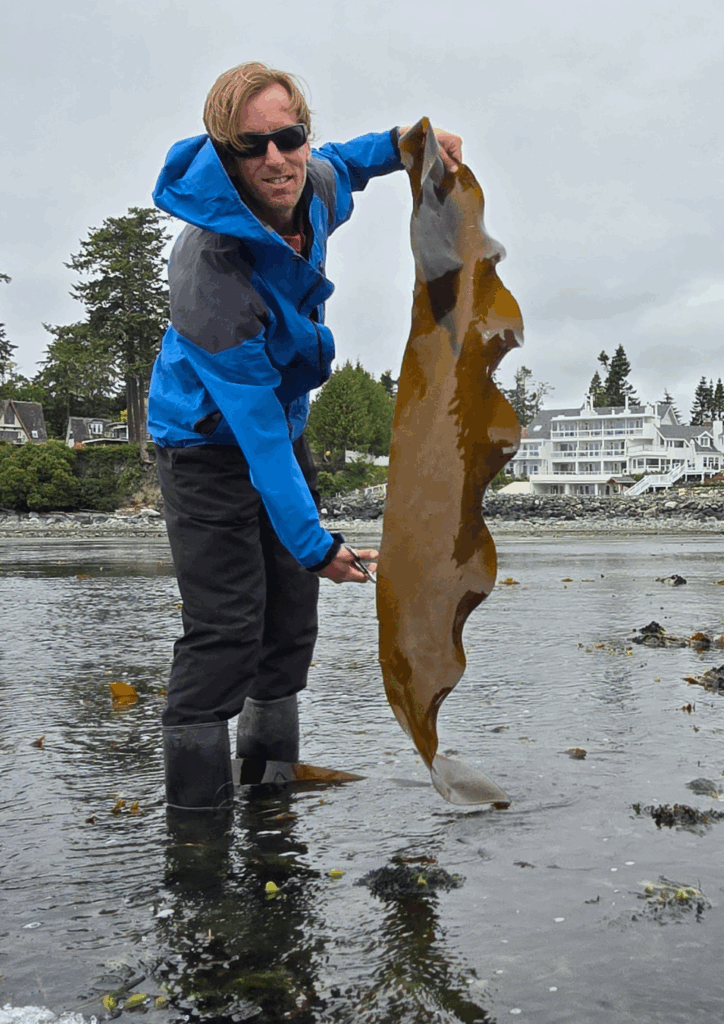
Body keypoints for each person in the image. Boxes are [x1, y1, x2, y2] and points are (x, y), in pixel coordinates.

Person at [148, 61, 463, 812]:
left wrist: (413, 141)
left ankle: (268, 799)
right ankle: (194, 831)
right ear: (225, 154)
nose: (274, 160)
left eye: (288, 137)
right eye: (250, 147)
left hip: (278, 424)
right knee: (227, 627)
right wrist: (318, 545)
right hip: (202, 443)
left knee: (288, 625)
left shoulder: (312, 184)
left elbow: (353, 160)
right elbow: (253, 437)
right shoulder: (210, 275)